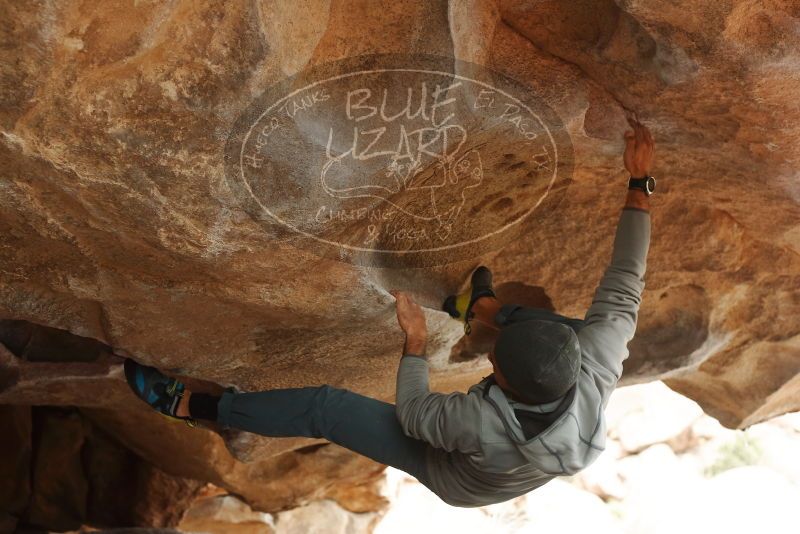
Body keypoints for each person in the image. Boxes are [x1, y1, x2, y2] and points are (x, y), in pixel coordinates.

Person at [123, 118, 654, 508]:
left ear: (502, 384)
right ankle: (480, 308)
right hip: (544, 415)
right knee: (561, 330)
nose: (490, 367)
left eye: (496, 369)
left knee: (326, 409)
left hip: (457, 477)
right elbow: (626, 280)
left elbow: (416, 412)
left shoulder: (477, 422)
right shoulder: (599, 354)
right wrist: (639, 182)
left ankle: (196, 406)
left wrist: (415, 341)